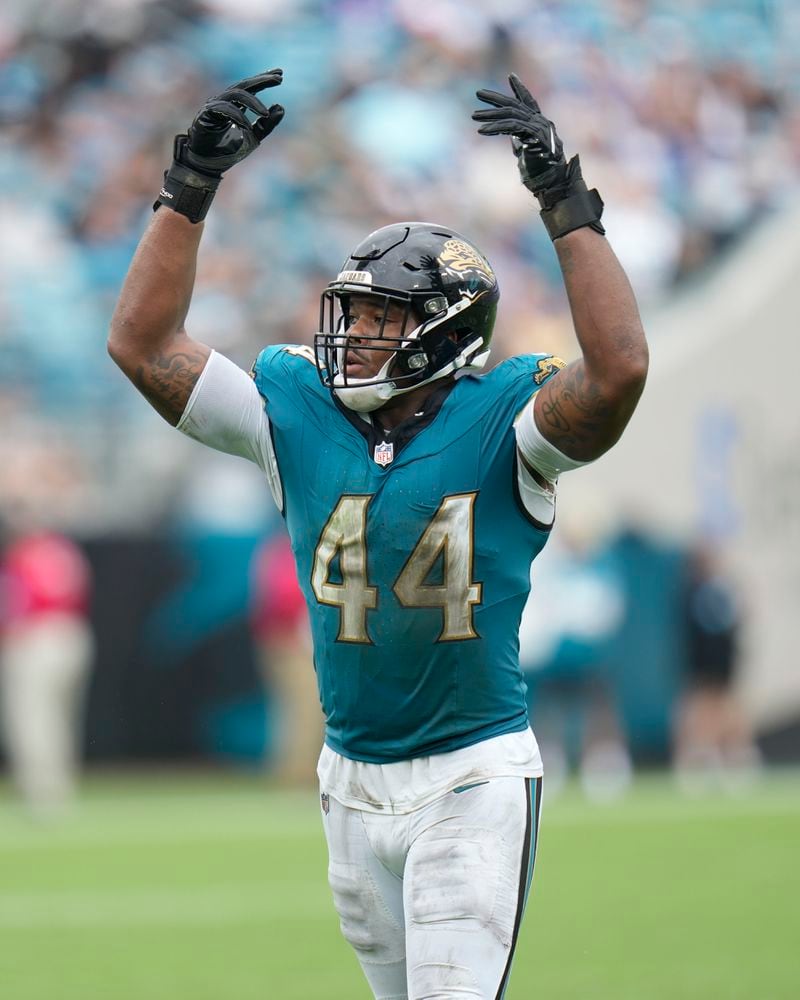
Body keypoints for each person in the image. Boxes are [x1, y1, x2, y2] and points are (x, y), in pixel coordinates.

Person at [109, 69, 648, 1000]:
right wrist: (187, 192)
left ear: (444, 331)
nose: (351, 332)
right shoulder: (296, 406)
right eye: (351, 311)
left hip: (470, 778)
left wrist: (568, 208)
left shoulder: (502, 418)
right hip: (349, 780)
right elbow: (143, 344)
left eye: (377, 316)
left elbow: (619, 371)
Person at [0, 518, 94, 818]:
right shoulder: (64, 550)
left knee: (33, 719)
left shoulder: (22, 557)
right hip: (72, 632)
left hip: (35, 638)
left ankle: (43, 792)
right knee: (61, 719)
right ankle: (61, 786)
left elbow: (15, 607)